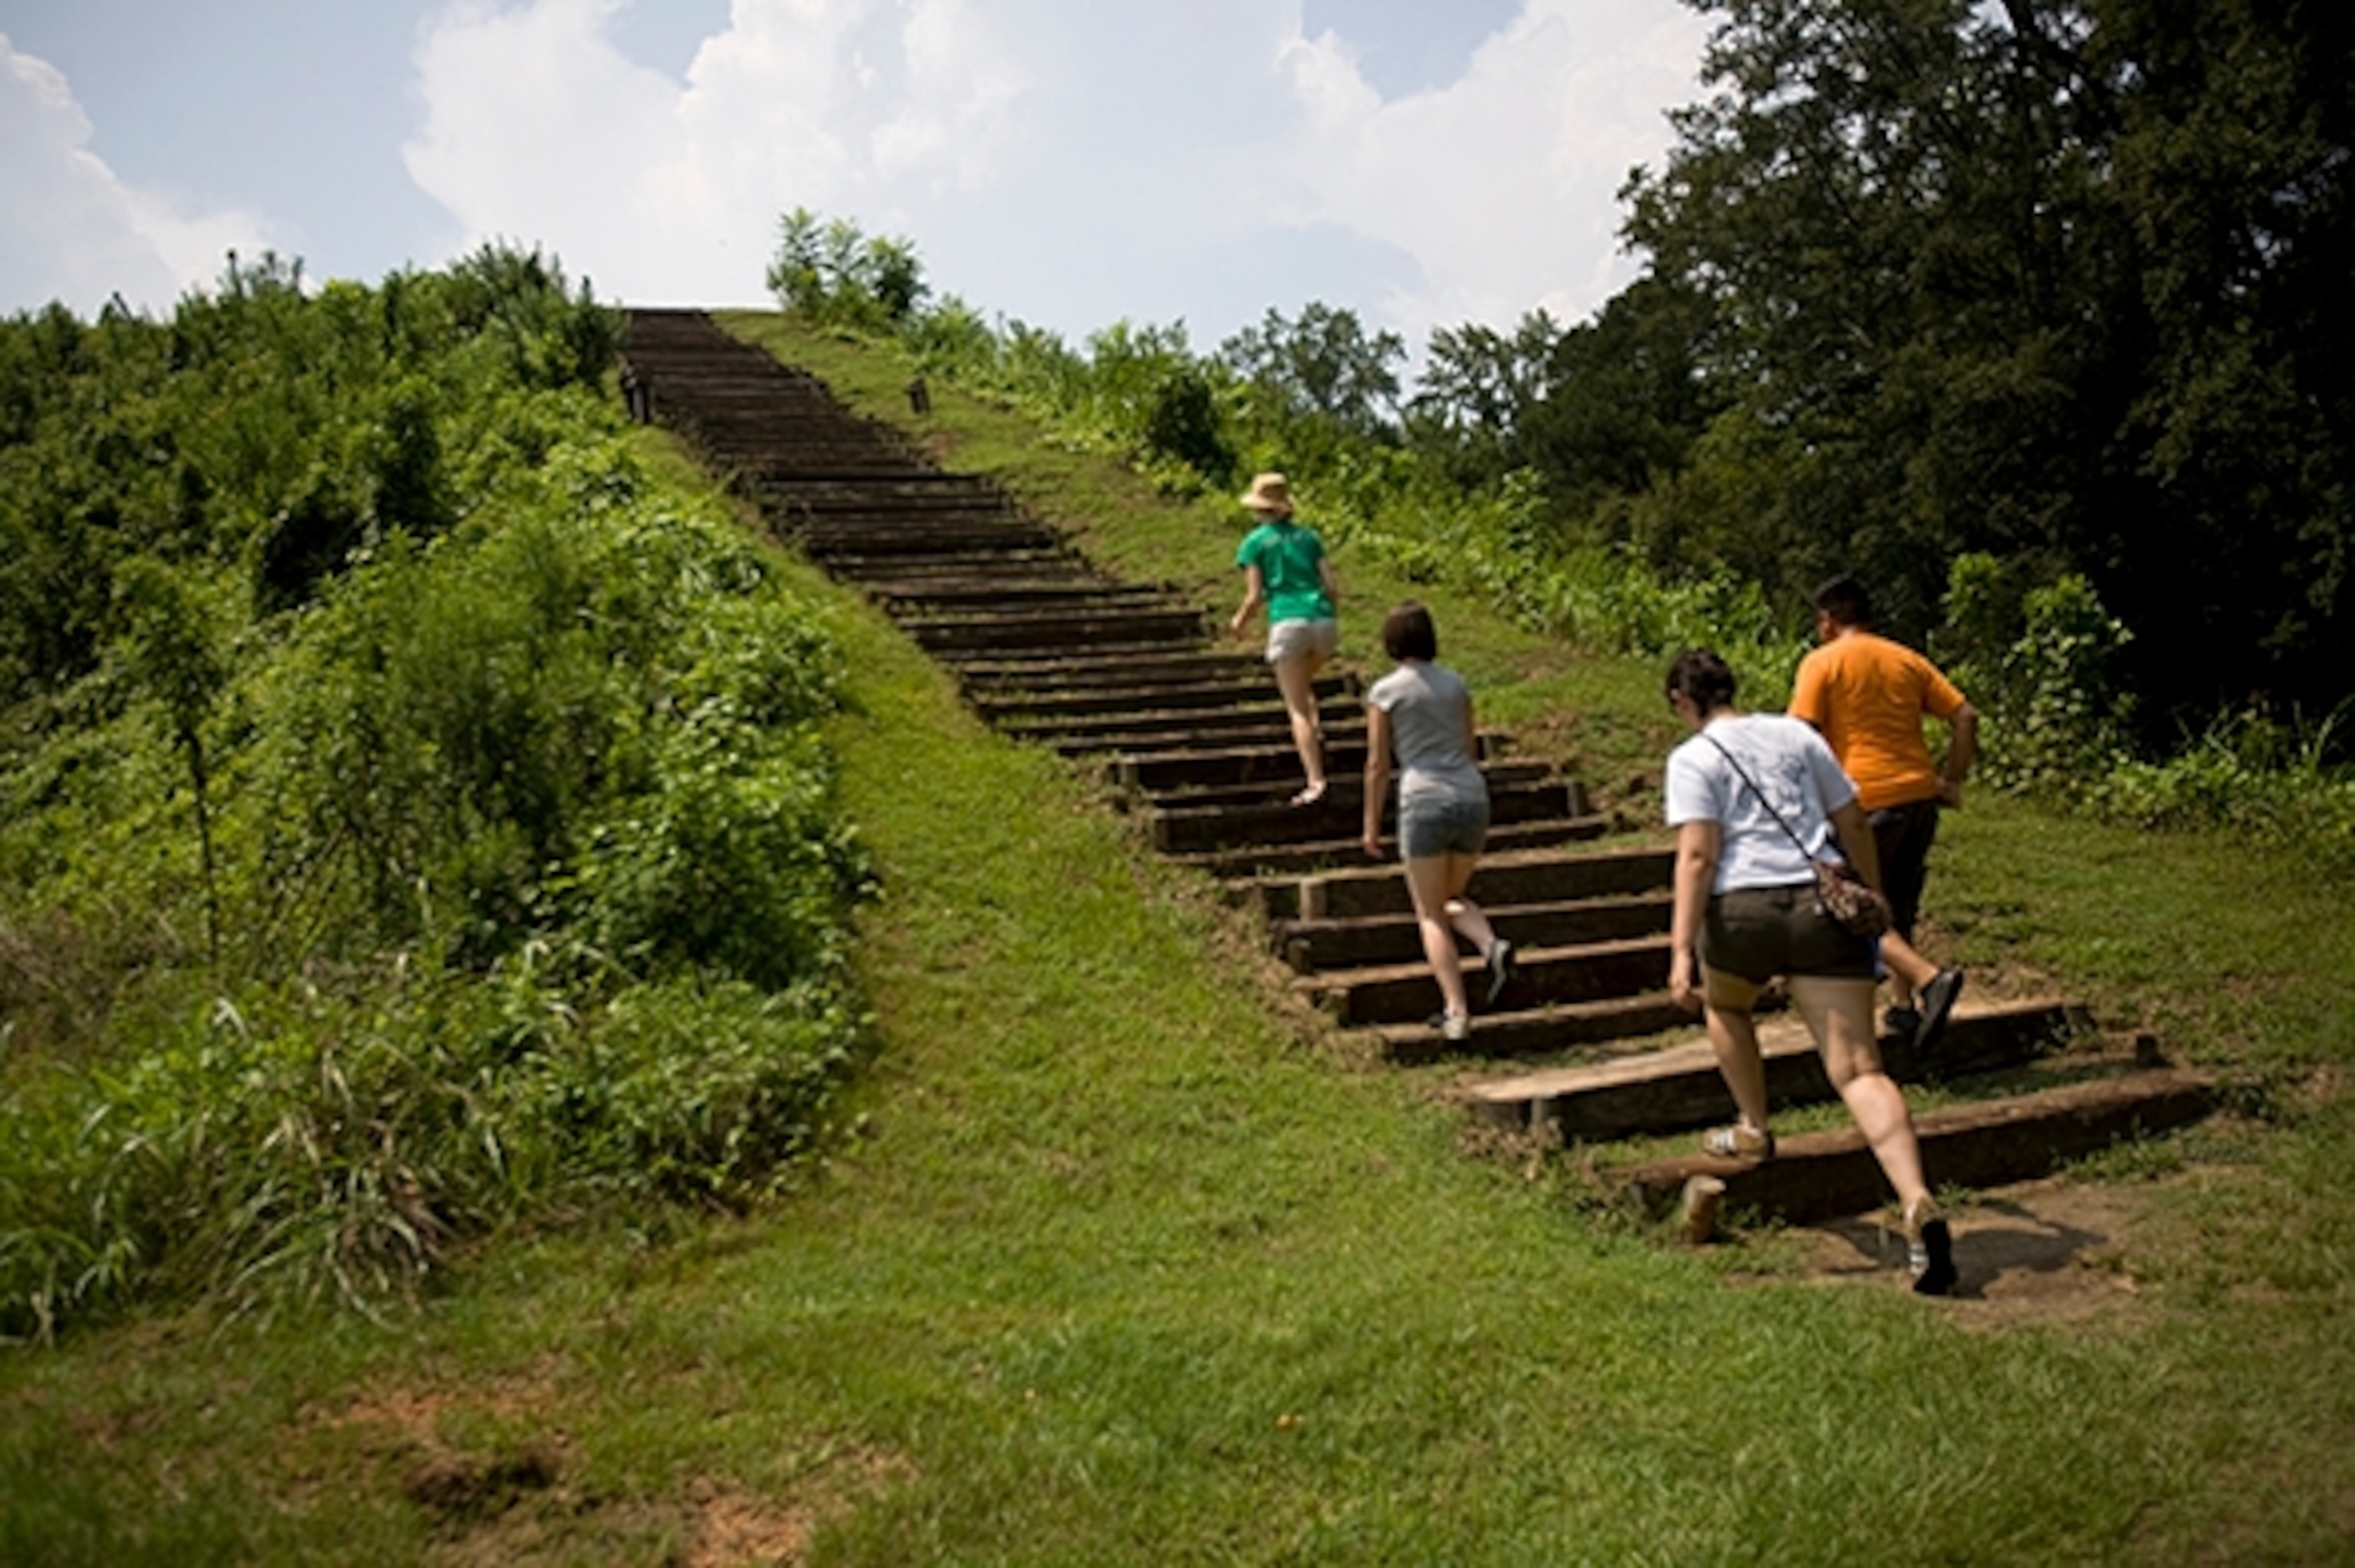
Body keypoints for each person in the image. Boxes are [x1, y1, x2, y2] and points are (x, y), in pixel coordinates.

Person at [1664, 648, 1956, 1294]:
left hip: (1742, 911)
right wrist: (1869, 899)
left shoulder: (1692, 758)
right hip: (1823, 909)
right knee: (1859, 1070)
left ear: (1684, 702)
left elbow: (1697, 855)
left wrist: (1681, 949)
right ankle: (1915, 1199)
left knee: (1727, 1005)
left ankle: (1754, 1127)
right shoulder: (1796, 734)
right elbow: (1850, 819)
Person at [1788, 574, 1976, 1053]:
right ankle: (1905, 1007)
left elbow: (1800, 736)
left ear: (1828, 621)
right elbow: (1965, 716)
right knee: (1898, 902)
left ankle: (1929, 980)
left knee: (1848, 904)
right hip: (1918, 800)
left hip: (1865, 804)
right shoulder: (1905, 659)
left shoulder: (1822, 662)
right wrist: (1950, 780)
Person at [1361, 602, 1514, 1042]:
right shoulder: (1456, 685)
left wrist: (1371, 823)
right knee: (1451, 896)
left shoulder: (1386, 692)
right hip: (1470, 795)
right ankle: (1490, 945)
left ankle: (1456, 1010)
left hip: (1423, 798)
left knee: (1429, 912)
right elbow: (1469, 747)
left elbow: (1377, 764)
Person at [1227, 472, 1341, 806]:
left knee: (1296, 709)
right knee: (1304, 684)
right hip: (1323, 620)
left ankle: (1315, 780)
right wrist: (1331, 615)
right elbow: (1332, 586)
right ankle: (1316, 734)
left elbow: (1255, 595)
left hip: (1288, 621)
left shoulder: (1255, 542)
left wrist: (1239, 622)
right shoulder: (1309, 537)